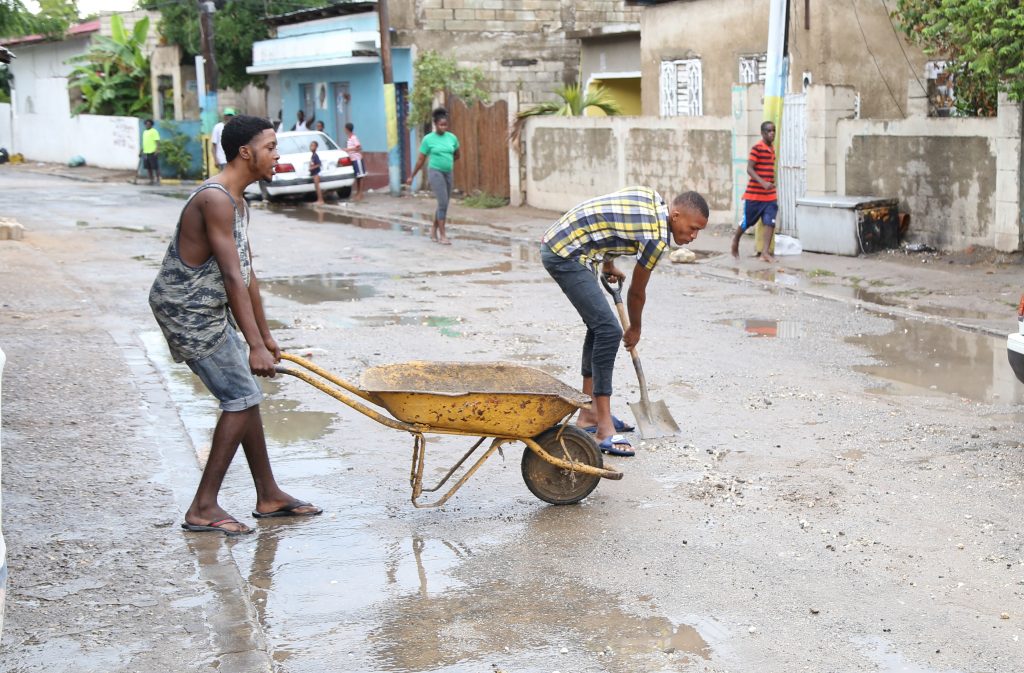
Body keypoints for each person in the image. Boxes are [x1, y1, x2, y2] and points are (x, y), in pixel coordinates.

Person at [149, 115, 322, 536]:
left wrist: (264, 337)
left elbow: (247, 275)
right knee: (241, 395)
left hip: (209, 308)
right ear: (246, 152)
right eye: (271, 147)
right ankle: (203, 506)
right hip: (187, 310)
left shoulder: (237, 200)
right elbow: (229, 277)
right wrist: (253, 345)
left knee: (244, 393)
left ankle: (268, 494)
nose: (277, 155)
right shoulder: (216, 199)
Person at [541, 187, 709, 457]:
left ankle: (589, 414)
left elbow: (610, 223)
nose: (693, 236)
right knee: (608, 331)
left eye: (699, 231)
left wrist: (608, 265)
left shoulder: (652, 200)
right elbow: (636, 292)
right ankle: (604, 429)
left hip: (572, 244)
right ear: (675, 216)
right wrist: (635, 328)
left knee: (598, 327)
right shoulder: (656, 239)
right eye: (692, 228)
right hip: (566, 253)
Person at [405, 107, 460, 244]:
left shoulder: (452, 138)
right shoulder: (428, 139)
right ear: (435, 124)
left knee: (445, 203)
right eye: (441, 125)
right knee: (442, 202)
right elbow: (420, 159)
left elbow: (457, 154)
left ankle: (434, 229)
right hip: (435, 172)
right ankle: (443, 235)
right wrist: (412, 175)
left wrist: (447, 161)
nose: (444, 127)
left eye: (445, 125)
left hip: (448, 172)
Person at [731, 121, 777, 262]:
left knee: (770, 222)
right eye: (769, 131)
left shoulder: (772, 149)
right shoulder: (757, 148)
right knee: (748, 222)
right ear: (763, 133)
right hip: (755, 195)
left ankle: (765, 253)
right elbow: (749, 169)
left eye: (773, 130)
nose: (772, 133)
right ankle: (735, 241)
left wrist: (770, 181)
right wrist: (763, 183)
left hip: (769, 196)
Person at [344, 122, 367, 201]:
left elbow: (358, 148)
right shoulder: (349, 138)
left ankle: (361, 193)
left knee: (361, 176)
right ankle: (358, 192)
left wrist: (348, 149)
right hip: (353, 159)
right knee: (357, 176)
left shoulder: (354, 138)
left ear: (347, 129)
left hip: (357, 159)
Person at [210, 107, 236, 172]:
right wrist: (215, 159)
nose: (229, 117)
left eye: (231, 115)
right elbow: (214, 145)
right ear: (224, 116)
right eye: (228, 115)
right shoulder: (218, 127)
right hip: (222, 160)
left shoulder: (235, 127)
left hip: (233, 160)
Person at [141, 119, 161, 185]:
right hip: (146, 152)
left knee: (155, 167)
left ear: (151, 125)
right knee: (148, 167)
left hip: (152, 152)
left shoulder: (154, 131)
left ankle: (158, 179)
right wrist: (141, 150)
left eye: (149, 124)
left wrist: (157, 150)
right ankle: (151, 180)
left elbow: (157, 141)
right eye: (146, 124)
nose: (147, 125)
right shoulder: (144, 132)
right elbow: (144, 142)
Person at [309, 139, 324, 205]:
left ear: (316, 147)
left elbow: (319, 164)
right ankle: (319, 199)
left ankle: (321, 200)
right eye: (311, 145)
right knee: (316, 187)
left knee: (317, 187)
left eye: (313, 145)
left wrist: (312, 167)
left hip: (316, 174)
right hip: (314, 173)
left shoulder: (315, 155)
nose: (311, 147)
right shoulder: (312, 156)